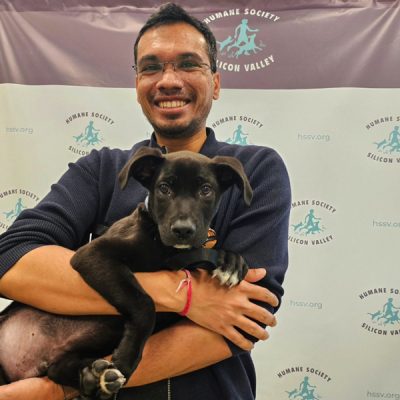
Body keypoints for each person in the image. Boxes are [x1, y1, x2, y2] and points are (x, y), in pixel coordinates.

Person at [0, 3, 291, 400]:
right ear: (137, 84)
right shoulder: (105, 168)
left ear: (217, 82)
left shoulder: (253, 169)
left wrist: (58, 391)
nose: (168, 80)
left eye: (188, 64)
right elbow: (13, 259)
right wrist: (184, 294)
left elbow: (244, 318)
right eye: (151, 67)